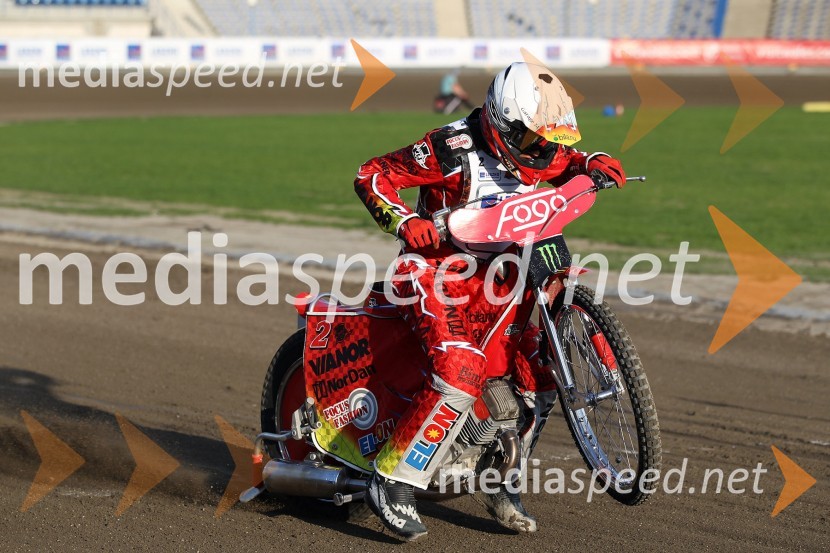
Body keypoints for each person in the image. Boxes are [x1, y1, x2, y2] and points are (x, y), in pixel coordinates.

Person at [354, 62, 626, 541]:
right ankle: (391, 480)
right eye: (532, 140)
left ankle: (501, 479)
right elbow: (372, 174)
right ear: (503, 123)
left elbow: (566, 158)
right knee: (461, 369)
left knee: (541, 374)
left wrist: (593, 162)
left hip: (501, 278)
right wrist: (403, 221)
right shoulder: (448, 147)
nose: (541, 152)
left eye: (547, 141)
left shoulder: (538, 147)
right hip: (434, 272)